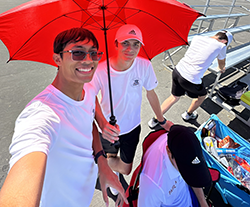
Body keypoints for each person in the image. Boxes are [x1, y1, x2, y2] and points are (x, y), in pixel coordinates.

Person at [0, 28, 128, 207]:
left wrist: (102, 162)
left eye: (93, 53)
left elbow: (87, 117)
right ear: (57, 59)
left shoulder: (87, 88)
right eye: (77, 53)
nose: (88, 60)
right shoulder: (42, 114)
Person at [90, 24, 173, 186]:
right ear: (116, 44)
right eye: (125, 43)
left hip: (133, 127)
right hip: (107, 128)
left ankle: (99, 163)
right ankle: (109, 172)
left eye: (136, 44)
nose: (131, 49)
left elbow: (151, 93)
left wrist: (161, 120)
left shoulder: (144, 66)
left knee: (127, 169)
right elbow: (91, 97)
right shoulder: (100, 69)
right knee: (112, 157)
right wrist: (103, 123)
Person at [148, 30, 233, 128]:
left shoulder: (198, 37)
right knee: (202, 96)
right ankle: (188, 114)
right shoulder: (221, 46)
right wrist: (222, 69)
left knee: (174, 97)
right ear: (224, 42)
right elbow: (221, 65)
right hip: (191, 78)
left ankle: (155, 119)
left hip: (178, 70)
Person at [138, 125, 211, 207]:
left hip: (189, 196)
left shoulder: (181, 141)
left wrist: (203, 202)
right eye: (184, 167)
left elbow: (194, 174)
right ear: (168, 151)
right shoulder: (152, 185)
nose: (189, 172)